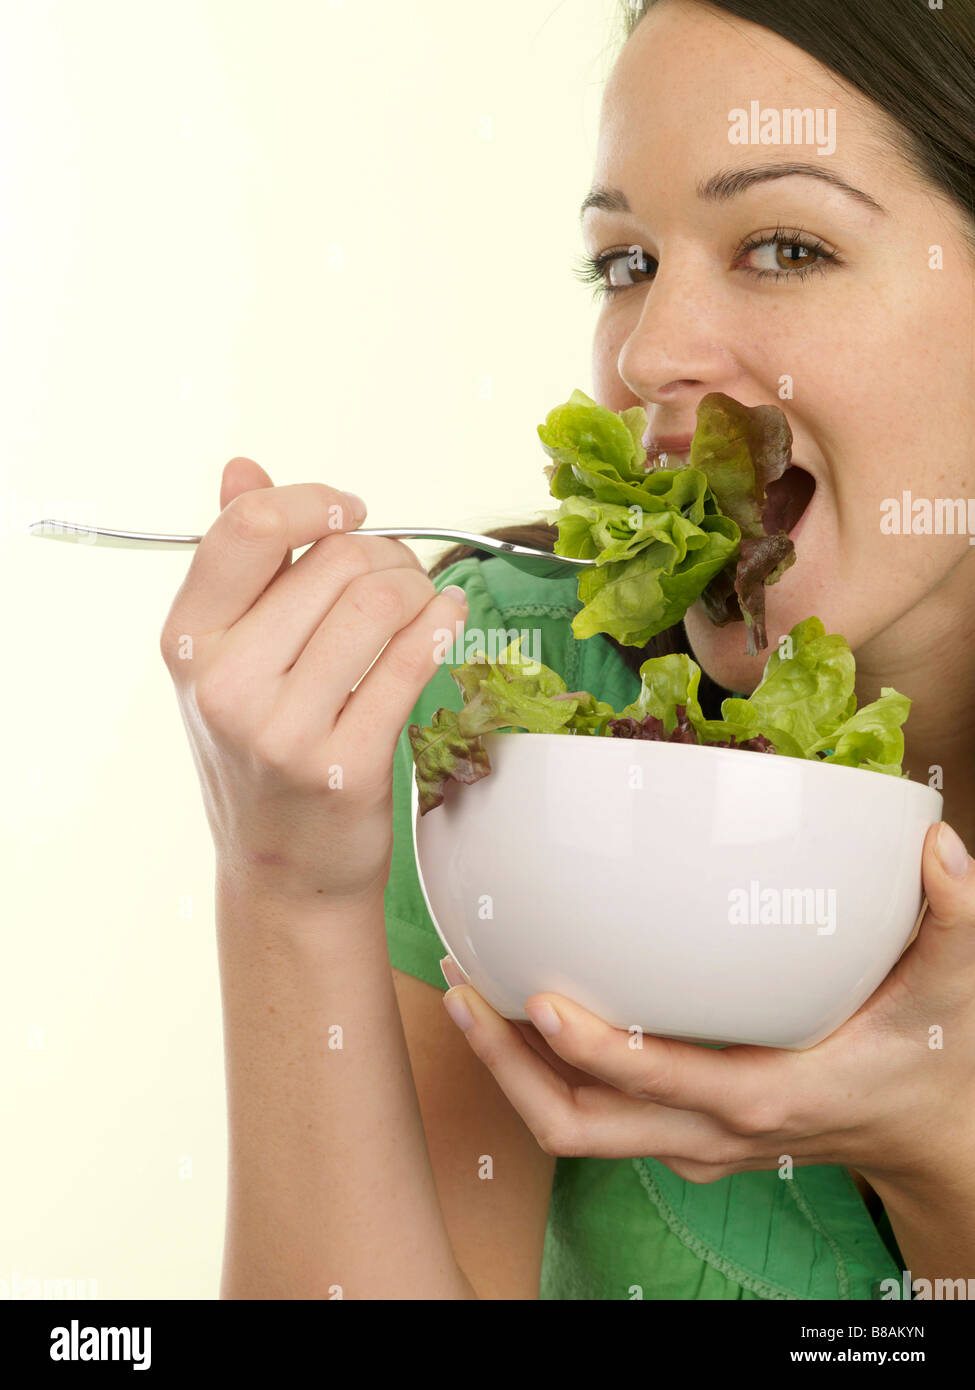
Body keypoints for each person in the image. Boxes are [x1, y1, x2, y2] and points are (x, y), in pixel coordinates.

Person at [159, 0, 975, 1299]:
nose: (649, 356)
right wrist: (285, 888)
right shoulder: (514, 695)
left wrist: (947, 1152)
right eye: (626, 263)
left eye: (781, 244)